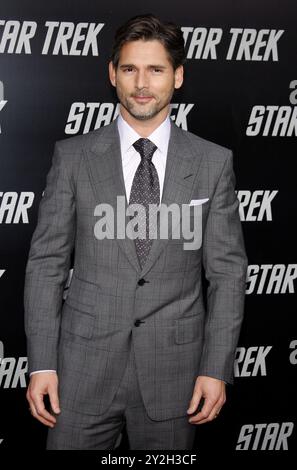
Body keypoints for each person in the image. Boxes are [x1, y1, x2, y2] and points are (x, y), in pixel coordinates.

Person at [24, 13, 248, 450]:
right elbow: (46, 265)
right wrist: (41, 364)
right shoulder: (73, 158)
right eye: (130, 69)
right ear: (113, 74)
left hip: (176, 375)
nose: (142, 82)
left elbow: (226, 274)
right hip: (80, 373)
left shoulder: (212, 163)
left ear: (178, 77)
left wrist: (215, 367)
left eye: (156, 69)